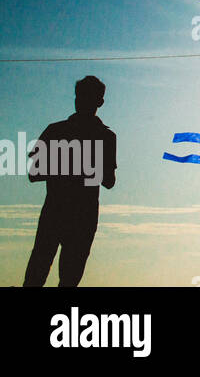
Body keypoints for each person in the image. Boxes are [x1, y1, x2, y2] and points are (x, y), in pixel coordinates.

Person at [23, 76, 117, 287]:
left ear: (98, 101)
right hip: (68, 214)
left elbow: (109, 181)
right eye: (80, 97)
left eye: (85, 97)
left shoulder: (59, 131)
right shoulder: (103, 136)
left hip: (70, 214)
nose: (80, 101)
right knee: (45, 274)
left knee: (54, 275)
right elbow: (34, 173)